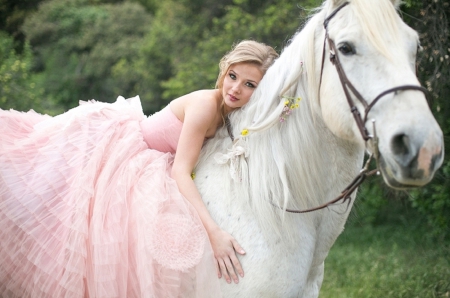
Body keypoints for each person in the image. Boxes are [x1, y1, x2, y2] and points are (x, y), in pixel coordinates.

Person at [0, 40, 278, 297]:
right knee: (47, 201)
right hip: (123, 151)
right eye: (233, 76)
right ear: (224, 71)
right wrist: (214, 233)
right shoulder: (207, 105)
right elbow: (180, 172)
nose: (235, 89)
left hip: (150, 154)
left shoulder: (237, 112)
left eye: (249, 85)